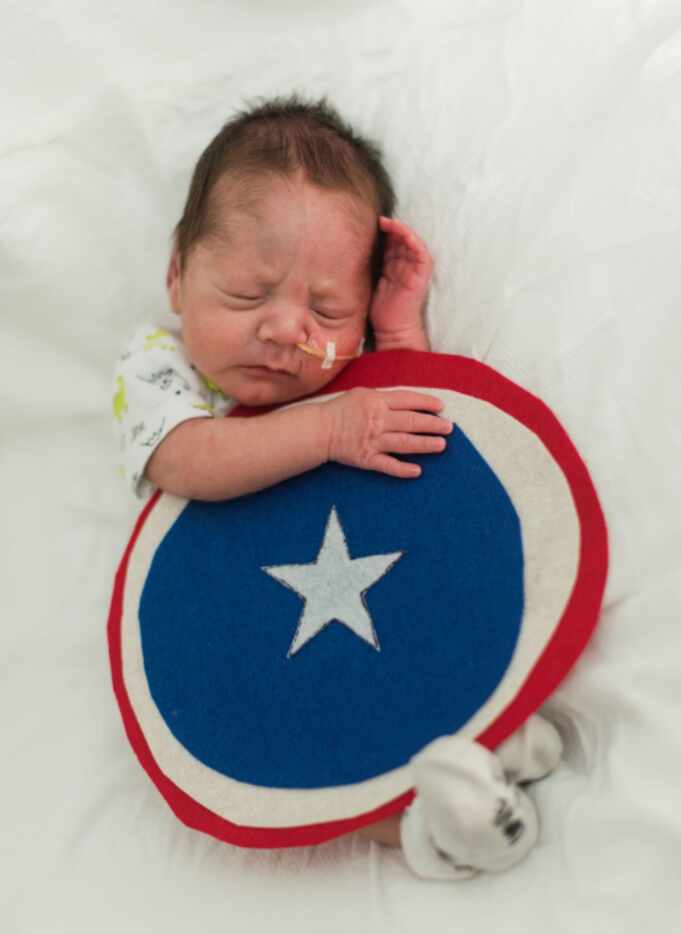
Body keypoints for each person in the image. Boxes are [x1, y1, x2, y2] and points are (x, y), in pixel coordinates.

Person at [113, 93, 562, 880]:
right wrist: (327, 429)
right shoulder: (162, 369)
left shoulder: (347, 381)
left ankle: (485, 731)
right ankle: (432, 833)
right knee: (312, 738)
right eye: (248, 295)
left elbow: (420, 447)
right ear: (179, 275)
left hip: (371, 587)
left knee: (424, 625)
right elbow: (188, 462)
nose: (287, 330)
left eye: (326, 309)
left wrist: (393, 340)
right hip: (241, 616)